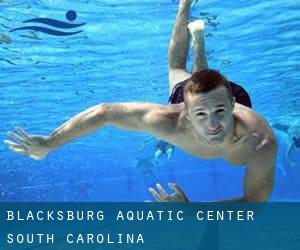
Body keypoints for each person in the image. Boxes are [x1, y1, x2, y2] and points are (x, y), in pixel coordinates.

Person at [4, 0, 277, 202]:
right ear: (184, 110)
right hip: (202, 96)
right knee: (177, 71)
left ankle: (199, 43)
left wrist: (191, 211)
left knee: (186, 75)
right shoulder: (170, 120)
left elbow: (255, 203)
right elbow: (105, 112)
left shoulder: (260, 140)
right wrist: (50, 142)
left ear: (232, 105)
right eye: (201, 115)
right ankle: (185, 6)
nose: (214, 124)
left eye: (220, 111)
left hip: (224, 98)